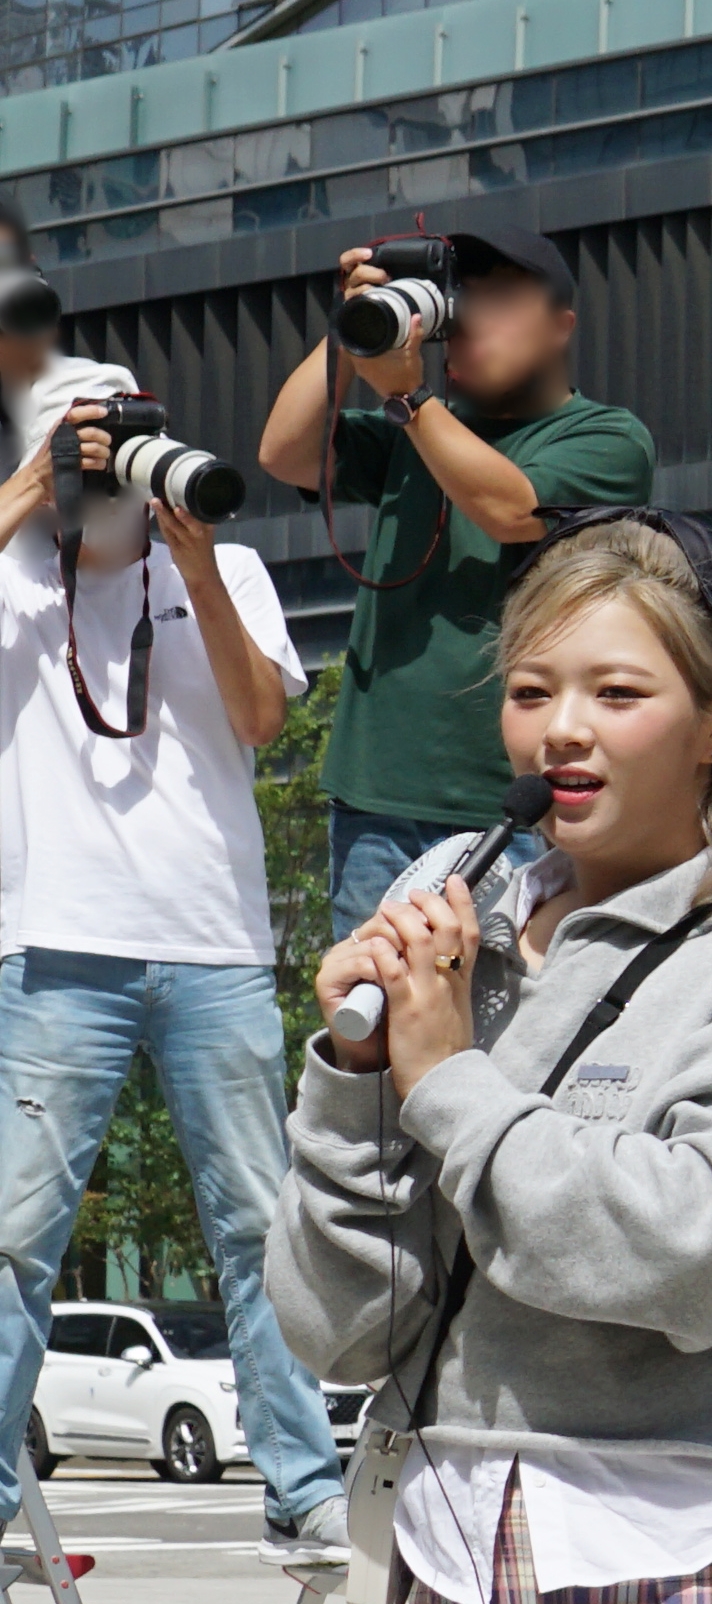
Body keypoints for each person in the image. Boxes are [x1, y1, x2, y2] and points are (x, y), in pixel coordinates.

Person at [266, 511, 712, 1604]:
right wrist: (358, 1080)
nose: (561, 731)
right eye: (530, 692)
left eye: (617, 694)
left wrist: (450, 1082)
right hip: (448, 1546)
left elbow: (694, 1254)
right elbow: (341, 1335)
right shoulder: (462, 950)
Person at [0, 310, 348, 1558]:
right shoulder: (15, 575)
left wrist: (195, 564)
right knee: (14, 1242)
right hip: (55, 943)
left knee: (261, 1228)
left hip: (215, 945)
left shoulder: (229, 568)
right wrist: (30, 485)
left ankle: (302, 1488)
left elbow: (259, 720)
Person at [256, 227, 657, 939]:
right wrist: (352, 329)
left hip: (521, 804)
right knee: (375, 1002)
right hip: (378, 800)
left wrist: (408, 397)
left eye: (500, 301)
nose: (471, 319)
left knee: (525, 1003)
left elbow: (508, 508)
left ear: (560, 326)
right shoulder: (414, 430)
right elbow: (284, 453)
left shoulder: (606, 437)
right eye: (462, 299)